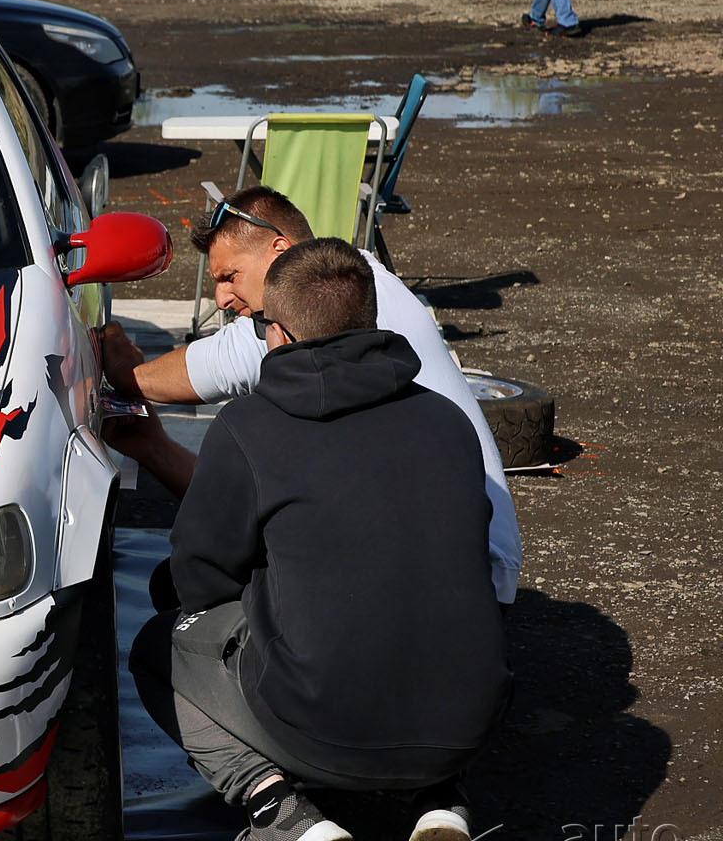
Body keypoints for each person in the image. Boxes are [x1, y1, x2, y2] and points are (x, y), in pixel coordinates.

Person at [129, 239, 512, 841]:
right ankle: (442, 802)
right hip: (466, 722)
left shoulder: (250, 426)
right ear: (370, 322)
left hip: (324, 729)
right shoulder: (446, 420)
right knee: (424, 605)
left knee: (156, 646)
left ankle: (276, 811)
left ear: (277, 332)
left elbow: (201, 579)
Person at [101, 184, 523, 606]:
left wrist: (123, 372)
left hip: (450, 573)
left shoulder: (306, 321)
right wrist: (153, 446)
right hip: (475, 576)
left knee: (179, 592)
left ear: (280, 250)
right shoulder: (361, 281)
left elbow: (207, 371)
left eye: (231, 276)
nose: (222, 298)